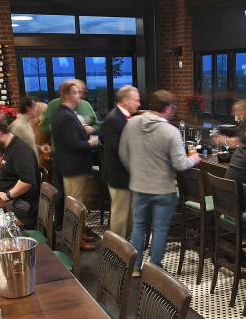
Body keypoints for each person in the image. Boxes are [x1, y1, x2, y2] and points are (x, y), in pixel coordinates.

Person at [120, 90, 201, 275]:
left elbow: (123, 153)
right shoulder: (170, 131)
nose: (173, 111)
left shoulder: (131, 124)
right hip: (164, 189)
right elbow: (181, 164)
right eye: (172, 108)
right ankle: (154, 268)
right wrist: (194, 159)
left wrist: (136, 171)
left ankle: (135, 266)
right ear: (167, 108)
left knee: (139, 226)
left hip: (139, 185)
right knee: (160, 229)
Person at [51, 80, 100, 248]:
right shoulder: (65, 116)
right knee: (76, 206)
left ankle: (79, 236)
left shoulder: (64, 113)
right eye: (76, 92)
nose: (79, 95)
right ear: (67, 95)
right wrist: (91, 143)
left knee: (78, 204)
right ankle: (75, 241)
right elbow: (73, 144)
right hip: (74, 168)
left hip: (72, 166)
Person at [100, 85, 140, 238]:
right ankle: (115, 251)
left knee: (128, 214)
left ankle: (126, 247)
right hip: (119, 175)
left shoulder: (123, 117)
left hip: (125, 175)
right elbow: (117, 148)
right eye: (136, 100)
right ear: (125, 101)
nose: (139, 104)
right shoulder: (114, 119)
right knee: (120, 215)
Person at [9, 95, 42, 162]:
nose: (37, 109)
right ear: (28, 108)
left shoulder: (27, 124)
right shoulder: (17, 126)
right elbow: (12, 150)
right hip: (25, 167)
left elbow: (26, 144)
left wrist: (39, 148)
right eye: (35, 106)